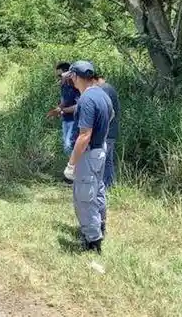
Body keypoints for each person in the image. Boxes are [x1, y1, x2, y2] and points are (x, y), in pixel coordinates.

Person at [65, 60, 113, 254]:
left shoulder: (86, 100)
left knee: (84, 196)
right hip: (101, 149)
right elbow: (111, 115)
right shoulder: (103, 94)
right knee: (98, 189)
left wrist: (71, 163)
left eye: (71, 77)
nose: (71, 80)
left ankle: (92, 241)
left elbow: (84, 135)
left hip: (90, 152)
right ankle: (100, 225)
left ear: (76, 76)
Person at [96, 75, 121, 189]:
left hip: (107, 132)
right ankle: (109, 185)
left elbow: (108, 113)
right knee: (107, 160)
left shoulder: (104, 89)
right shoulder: (108, 88)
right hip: (111, 131)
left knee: (104, 160)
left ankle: (106, 186)